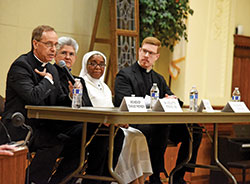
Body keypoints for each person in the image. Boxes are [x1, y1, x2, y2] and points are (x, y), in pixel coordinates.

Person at [114, 36, 202, 184]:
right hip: (136, 123)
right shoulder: (125, 75)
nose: (146, 56)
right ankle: (155, 176)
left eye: (151, 53)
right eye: (145, 51)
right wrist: (159, 102)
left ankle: (178, 175)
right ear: (139, 51)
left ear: (157, 57)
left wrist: (173, 100)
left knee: (195, 131)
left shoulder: (159, 78)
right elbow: (123, 101)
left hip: (159, 125)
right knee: (162, 126)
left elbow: (174, 99)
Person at [1, 25, 82, 184]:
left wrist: (71, 95)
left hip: (43, 126)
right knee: (53, 143)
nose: (53, 49)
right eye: (49, 44)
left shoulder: (52, 68)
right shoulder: (21, 65)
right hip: (19, 126)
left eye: (55, 45)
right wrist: (47, 80)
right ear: (35, 44)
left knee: (78, 143)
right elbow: (33, 97)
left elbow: (58, 100)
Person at [54, 37, 124, 184]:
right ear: (55, 54)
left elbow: (84, 104)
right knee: (100, 130)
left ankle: (104, 179)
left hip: (82, 124)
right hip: (60, 126)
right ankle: (92, 179)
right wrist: (71, 96)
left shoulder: (77, 80)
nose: (67, 57)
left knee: (117, 134)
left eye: (71, 54)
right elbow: (55, 101)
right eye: (63, 53)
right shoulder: (51, 75)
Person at [79, 50, 153, 184]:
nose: (97, 67)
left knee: (137, 135)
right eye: (93, 63)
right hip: (95, 128)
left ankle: (135, 179)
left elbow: (112, 108)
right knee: (128, 136)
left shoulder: (105, 87)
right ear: (85, 65)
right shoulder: (81, 84)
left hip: (111, 126)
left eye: (101, 64)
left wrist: (120, 121)